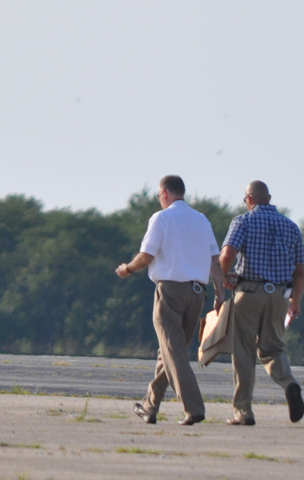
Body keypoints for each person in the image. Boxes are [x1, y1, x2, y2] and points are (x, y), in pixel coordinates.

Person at [116, 175, 224, 426]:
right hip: (198, 294)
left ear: (164, 193)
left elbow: (146, 256)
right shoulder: (201, 219)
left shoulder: (161, 218)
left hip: (170, 292)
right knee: (168, 352)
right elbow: (215, 262)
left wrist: (127, 269)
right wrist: (220, 294)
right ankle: (149, 406)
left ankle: (193, 408)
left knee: (173, 352)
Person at [219, 180, 304, 425]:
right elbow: (299, 272)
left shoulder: (242, 221)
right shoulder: (291, 226)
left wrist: (223, 277)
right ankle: (289, 383)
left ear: (248, 199)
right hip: (279, 295)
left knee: (244, 350)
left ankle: (243, 411)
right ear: (269, 198)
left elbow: (227, 254)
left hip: (249, 292)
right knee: (274, 348)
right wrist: (295, 301)